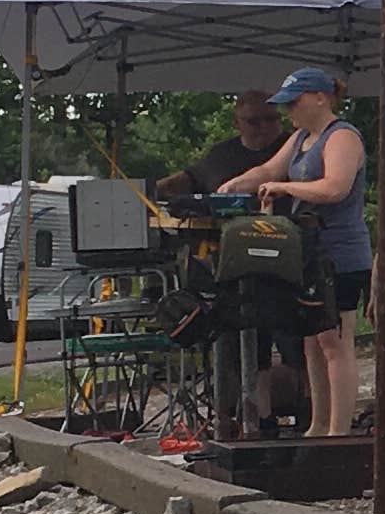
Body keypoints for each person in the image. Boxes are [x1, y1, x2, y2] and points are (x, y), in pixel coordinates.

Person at [231, 67, 371, 435]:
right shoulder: (298, 140)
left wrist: (288, 189)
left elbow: (335, 188)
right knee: (311, 340)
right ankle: (317, 424)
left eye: (294, 102)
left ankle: (340, 431)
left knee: (335, 342)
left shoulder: (343, 137)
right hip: (307, 253)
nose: (289, 110)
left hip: (340, 253)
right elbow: (265, 170)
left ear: (321, 97)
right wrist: (228, 188)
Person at [149, 91, 286, 205]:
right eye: (254, 121)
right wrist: (147, 192)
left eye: (271, 119)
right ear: (236, 123)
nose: (264, 127)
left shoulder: (295, 145)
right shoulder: (221, 154)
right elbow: (189, 178)